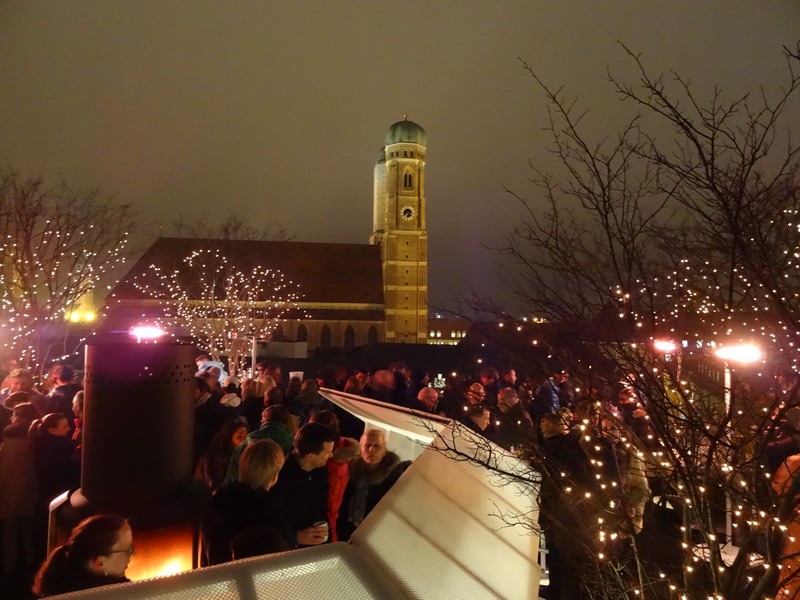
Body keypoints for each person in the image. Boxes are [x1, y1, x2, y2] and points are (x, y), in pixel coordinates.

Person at [202, 440, 294, 565]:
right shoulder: (269, 513)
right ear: (273, 477)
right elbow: (287, 554)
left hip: (218, 576)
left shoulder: (217, 501)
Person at [270, 423, 339, 546]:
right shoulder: (280, 479)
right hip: (292, 550)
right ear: (311, 456)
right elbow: (273, 519)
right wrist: (295, 537)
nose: (331, 455)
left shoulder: (321, 471)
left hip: (317, 545)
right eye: (328, 452)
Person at [32, 515, 133, 597]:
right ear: (100, 562)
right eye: (128, 550)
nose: (132, 555)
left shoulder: (62, 587)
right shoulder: (116, 595)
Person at [337, 429, 410, 541]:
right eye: (367, 445)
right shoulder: (351, 472)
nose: (371, 449)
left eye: (377, 446)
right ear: (361, 449)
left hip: (378, 535)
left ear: (384, 451)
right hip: (348, 532)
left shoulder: (394, 476)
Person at [0, 402, 41, 585]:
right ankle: (31, 569)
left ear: (21, 417)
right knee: (28, 532)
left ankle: (9, 571)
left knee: (10, 533)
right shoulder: (38, 437)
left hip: (12, 494)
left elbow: (5, 471)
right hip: (31, 493)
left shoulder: (11, 440)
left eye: (14, 414)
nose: (11, 417)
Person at [225, 405, 297, 484]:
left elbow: (232, 478)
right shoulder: (294, 446)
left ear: (265, 421)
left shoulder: (246, 446)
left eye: (262, 421)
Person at [195, 418, 249, 494]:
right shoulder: (216, 457)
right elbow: (216, 487)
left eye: (246, 437)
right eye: (239, 437)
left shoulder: (241, 453)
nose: (244, 441)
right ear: (228, 438)